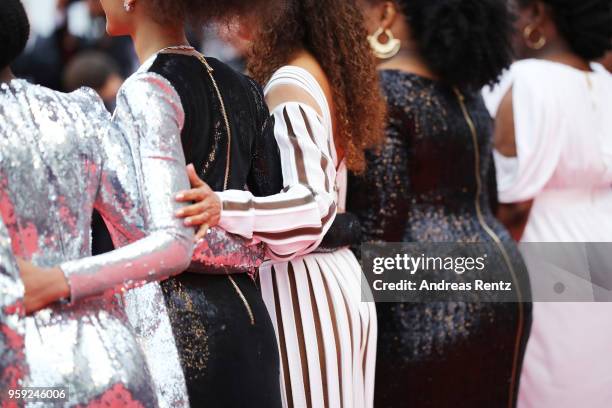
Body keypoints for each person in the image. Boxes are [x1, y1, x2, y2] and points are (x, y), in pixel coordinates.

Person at [181, 1, 386, 406]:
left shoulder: (289, 83)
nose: (234, 16)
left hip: (304, 290)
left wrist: (222, 207)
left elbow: (313, 207)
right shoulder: (314, 73)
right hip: (331, 280)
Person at [0, 0, 195, 404]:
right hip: (113, 369)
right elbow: (163, 240)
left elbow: (168, 242)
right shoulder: (80, 113)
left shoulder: (109, 102)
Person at [96, 0, 285, 406]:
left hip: (180, 327)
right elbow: (272, 219)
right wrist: (247, 247)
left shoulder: (147, 89)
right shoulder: (245, 86)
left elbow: (164, 242)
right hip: (252, 321)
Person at [350, 1, 533, 407]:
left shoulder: (385, 95)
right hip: (500, 277)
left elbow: (379, 231)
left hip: (425, 298)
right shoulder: (469, 96)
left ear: (388, 14)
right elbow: (490, 198)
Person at [483, 1, 612, 407]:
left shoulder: (528, 80)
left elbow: (513, 205)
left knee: (543, 383)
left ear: (538, 15)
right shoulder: (605, 81)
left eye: (516, 10)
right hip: (602, 249)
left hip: (546, 256)